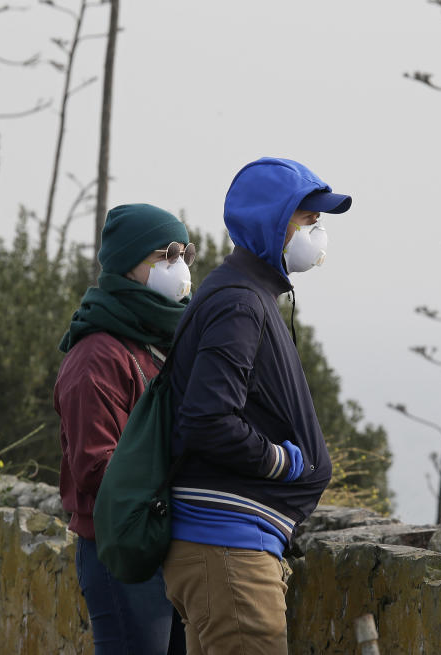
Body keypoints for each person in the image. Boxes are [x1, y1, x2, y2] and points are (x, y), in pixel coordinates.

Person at [163, 157, 352, 654]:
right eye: (309, 220)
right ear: (274, 222)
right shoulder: (239, 304)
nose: (319, 233)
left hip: (227, 548)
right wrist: (284, 462)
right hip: (229, 548)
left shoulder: (244, 294)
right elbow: (207, 419)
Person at [54, 203, 193, 655]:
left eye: (185, 254)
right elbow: (96, 464)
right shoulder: (97, 355)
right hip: (121, 552)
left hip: (165, 545)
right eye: (166, 255)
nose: (179, 267)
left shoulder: (160, 340)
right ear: (128, 263)